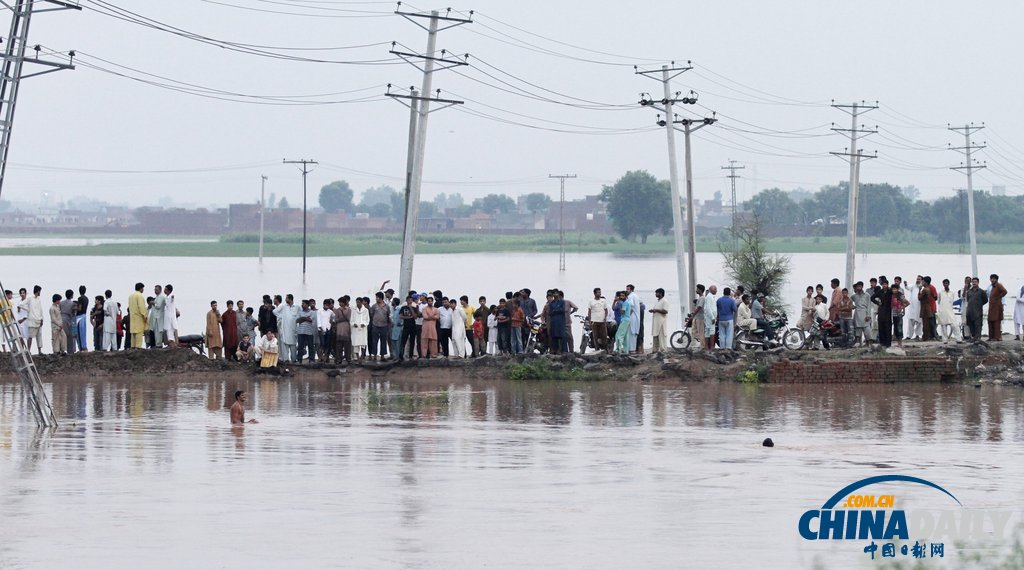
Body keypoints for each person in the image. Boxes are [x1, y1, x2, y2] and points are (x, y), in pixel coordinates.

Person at [871, 278, 893, 348]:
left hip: (888, 311)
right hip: (881, 310)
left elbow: (897, 295)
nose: (884, 286)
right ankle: (882, 343)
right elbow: (872, 298)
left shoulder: (890, 291)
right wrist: (878, 303)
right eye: (883, 284)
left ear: (887, 285)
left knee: (888, 328)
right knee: (881, 327)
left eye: (885, 284)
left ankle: (888, 344)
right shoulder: (880, 291)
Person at [369, 292, 391, 361]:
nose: (376, 299)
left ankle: (382, 356)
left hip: (384, 326)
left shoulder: (387, 306)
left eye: (377, 297)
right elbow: (371, 315)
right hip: (375, 325)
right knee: (374, 341)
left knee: (383, 341)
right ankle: (374, 355)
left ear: (380, 298)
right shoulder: (374, 306)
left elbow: (388, 315)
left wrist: (388, 325)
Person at [964, 278, 987, 342]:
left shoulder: (981, 291)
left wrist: (979, 304)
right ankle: (973, 337)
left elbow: (985, 300)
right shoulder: (969, 292)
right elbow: (968, 300)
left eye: (975, 282)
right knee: (971, 325)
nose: (974, 283)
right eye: (973, 282)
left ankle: (978, 338)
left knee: (978, 325)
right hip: (970, 311)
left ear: (978, 282)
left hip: (978, 311)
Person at [296, 299, 317, 363]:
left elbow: (311, 320)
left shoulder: (312, 312)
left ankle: (311, 360)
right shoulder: (300, 312)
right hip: (300, 331)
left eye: (303, 304)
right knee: (300, 346)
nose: (302, 305)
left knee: (310, 346)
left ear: (307, 305)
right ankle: (299, 360)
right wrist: (305, 318)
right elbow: (297, 321)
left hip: (309, 332)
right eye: (302, 303)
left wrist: (302, 318)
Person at [988, 274, 1008, 341]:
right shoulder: (991, 286)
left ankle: (997, 337)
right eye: (991, 278)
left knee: (996, 322)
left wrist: (999, 297)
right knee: (990, 321)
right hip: (991, 306)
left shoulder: (999, 285)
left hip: (997, 306)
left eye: (994, 279)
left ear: (996, 279)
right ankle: (991, 337)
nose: (992, 280)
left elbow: (1005, 291)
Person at [333, 296, 353, 364]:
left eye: (341, 302)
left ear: (344, 303)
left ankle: (348, 359)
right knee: (339, 346)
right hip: (339, 329)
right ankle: (339, 359)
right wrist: (342, 319)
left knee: (347, 346)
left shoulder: (349, 310)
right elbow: (336, 319)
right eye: (339, 302)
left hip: (346, 329)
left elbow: (348, 318)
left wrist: (341, 318)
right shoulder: (337, 310)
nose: (339, 304)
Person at [128, 282, 148, 349]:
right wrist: (145, 315)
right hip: (138, 317)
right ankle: (138, 346)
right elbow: (141, 307)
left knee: (133, 332)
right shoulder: (139, 296)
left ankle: (133, 345)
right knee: (139, 332)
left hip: (132, 316)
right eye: (143, 288)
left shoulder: (131, 296)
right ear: (141, 288)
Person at [588, 287, 609, 352]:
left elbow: (606, 310)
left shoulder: (603, 301)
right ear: (594, 293)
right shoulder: (591, 301)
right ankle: (597, 349)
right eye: (598, 292)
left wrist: (605, 318)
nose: (599, 294)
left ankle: (605, 349)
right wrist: (590, 321)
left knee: (604, 336)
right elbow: (589, 311)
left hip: (602, 321)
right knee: (595, 336)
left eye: (600, 292)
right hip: (594, 321)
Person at [649, 288, 669, 352]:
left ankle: (663, 350)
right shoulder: (658, 301)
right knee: (655, 335)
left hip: (661, 322)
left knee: (661, 336)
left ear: (660, 293)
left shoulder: (664, 301)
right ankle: (655, 350)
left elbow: (665, 311)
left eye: (657, 293)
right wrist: (653, 310)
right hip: (656, 322)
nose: (655, 294)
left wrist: (656, 310)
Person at [26, 285, 44, 355]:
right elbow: (22, 304)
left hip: (39, 320)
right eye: (40, 291)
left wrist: (42, 319)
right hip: (32, 320)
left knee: (39, 336)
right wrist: (28, 313)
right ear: (38, 291)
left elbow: (40, 310)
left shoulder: (39, 299)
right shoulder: (30, 298)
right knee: (30, 336)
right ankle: (28, 350)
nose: (40, 293)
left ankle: (40, 351)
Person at [918, 277, 936, 341]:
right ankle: (929, 336)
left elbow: (919, 298)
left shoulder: (925, 289)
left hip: (925, 307)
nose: (922, 283)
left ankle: (925, 337)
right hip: (928, 307)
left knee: (925, 323)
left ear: (926, 282)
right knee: (928, 323)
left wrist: (919, 290)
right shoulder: (928, 289)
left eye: (923, 282)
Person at [60, 289, 77, 354]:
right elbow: (74, 313)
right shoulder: (72, 303)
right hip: (68, 319)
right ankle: (70, 350)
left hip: (61, 319)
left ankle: (62, 349)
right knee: (70, 336)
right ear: (71, 295)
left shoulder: (61, 303)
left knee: (62, 335)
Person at [702, 285, 718, 350]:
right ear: (711, 290)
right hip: (710, 318)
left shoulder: (711, 297)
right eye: (715, 289)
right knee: (711, 332)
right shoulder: (709, 297)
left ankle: (707, 346)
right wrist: (712, 317)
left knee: (708, 332)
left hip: (710, 317)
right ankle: (711, 346)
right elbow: (708, 308)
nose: (716, 291)